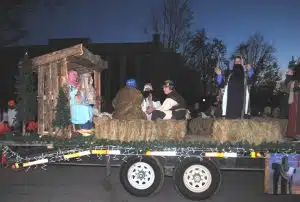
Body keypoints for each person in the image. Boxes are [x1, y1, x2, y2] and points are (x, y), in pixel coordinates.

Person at [285, 65, 300, 139]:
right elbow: (289, 89)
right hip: (294, 100)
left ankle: (294, 132)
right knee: (294, 115)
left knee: (296, 115)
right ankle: (293, 132)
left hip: (295, 99)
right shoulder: (293, 81)